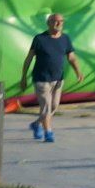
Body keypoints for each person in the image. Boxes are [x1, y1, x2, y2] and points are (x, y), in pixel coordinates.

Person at [19, 13, 81, 143]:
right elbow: (29, 59)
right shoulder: (39, 39)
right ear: (48, 23)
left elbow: (71, 57)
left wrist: (78, 72)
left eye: (61, 21)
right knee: (46, 108)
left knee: (53, 107)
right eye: (55, 21)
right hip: (41, 79)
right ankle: (48, 132)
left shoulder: (65, 39)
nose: (58, 23)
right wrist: (23, 77)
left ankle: (36, 124)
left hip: (58, 79)